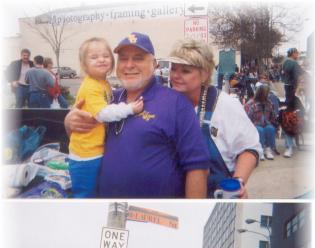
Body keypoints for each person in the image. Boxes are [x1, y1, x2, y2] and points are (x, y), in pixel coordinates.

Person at [64, 32, 210, 198]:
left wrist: (191, 215)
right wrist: (69, 123)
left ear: (154, 64)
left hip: (156, 215)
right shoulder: (108, 100)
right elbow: (80, 135)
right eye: (124, 59)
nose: (129, 65)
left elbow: (197, 166)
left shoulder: (176, 103)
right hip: (109, 211)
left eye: (138, 58)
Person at [168, 39, 262, 197]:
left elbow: (249, 149)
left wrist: (238, 182)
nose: (176, 76)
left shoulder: (225, 105)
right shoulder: (165, 103)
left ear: (204, 74)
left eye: (185, 71)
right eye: (173, 69)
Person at [68, 37, 144, 198]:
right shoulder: (90, 86)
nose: (101, 59)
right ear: (84, 64)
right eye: (94, 57)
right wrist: (130, 108)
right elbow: (103, 113)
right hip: (86, 154)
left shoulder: (102, 83)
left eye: (105, 55)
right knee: (86, 196)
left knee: (95, 193)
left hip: (94, 150)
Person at [244, 82, 278, 160]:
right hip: (254, 124)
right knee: (260, 130)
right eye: (266, 94)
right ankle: (260, 150)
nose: (268, 95)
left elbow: (272, 116)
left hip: (266, 123)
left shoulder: (269, 103)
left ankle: (268, 149)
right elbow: (247, 118)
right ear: (260, 94)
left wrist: (275, 123)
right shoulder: (251, 103)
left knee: (270, 129)